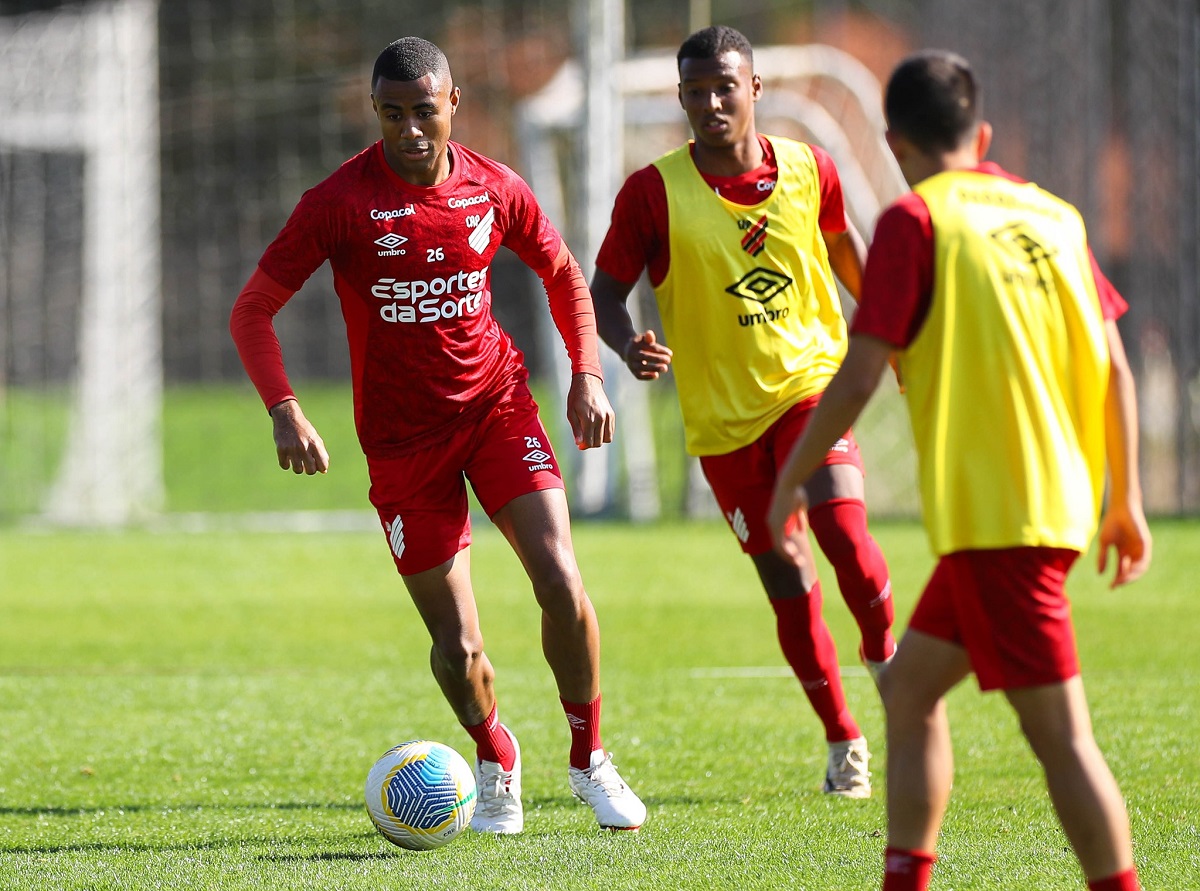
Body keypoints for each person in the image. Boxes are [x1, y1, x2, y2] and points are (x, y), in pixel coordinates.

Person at [229, 36, 646, 835]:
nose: (411, 129)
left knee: (560, 575)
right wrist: (283, 407)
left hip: (496, 409)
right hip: (401, 446)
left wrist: (588, 373)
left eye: (425, 111)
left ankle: (590, 759)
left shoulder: (493, 186)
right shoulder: (339, 204)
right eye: (393, 114)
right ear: (376, 112)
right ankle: (496, 758)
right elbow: (252, 308)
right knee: (457, 645)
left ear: (452, 102)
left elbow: (562, 274)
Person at [767, 50, 1150, 891]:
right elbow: (1117, 368)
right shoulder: (1052, 214)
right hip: (1045, 507)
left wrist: (791, 473)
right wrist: (1128, 502)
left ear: (894, 143)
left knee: (1063, 738)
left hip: (998, 521)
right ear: (982, 134)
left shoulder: (916, 221)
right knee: (908, 691)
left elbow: (863, 369)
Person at [590, 25, 896, 799]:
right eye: (694, 91)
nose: (710, 103)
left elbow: (850, 254)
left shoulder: (809, 168)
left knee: (844, 533)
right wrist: (628, 347)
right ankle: (842, 737)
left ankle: (887, 657)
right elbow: (602, 293)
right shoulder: (651, 192)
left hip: (811, 386)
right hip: (725, 425)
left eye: (725, 86)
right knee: (786, 576)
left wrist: (893, 334)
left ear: (755, 88)